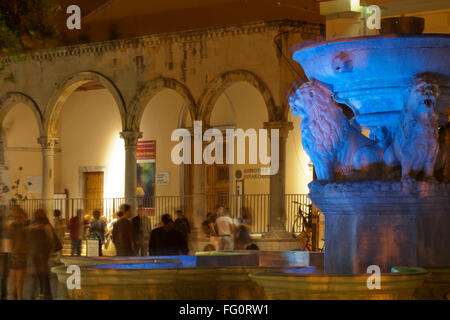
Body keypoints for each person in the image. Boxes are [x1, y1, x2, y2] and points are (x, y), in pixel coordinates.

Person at [26, 209, 54, 300]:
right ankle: (45, 294)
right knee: (44, 275)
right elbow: (50, 238)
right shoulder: (46, 225)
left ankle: (41, 293)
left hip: (35, 253)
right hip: (43, 253)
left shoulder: (32, 225)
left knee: (38, 275)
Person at [6, 207, 28, 300]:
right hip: (21, 254)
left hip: (13, 254)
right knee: (19, 279)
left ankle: (12, 296)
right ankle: (19, 297)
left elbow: (9, 241)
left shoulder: (11, 226)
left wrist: (12, 250)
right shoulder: (23, 227)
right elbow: (25, 241)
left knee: (12, 278)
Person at [0, 208, 9, 300]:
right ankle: (3, 293)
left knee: (4, 274)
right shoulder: (5, 223)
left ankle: (4, 292)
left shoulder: (5, 223)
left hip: (4, 250)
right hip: (3, 250)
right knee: (4, 274)